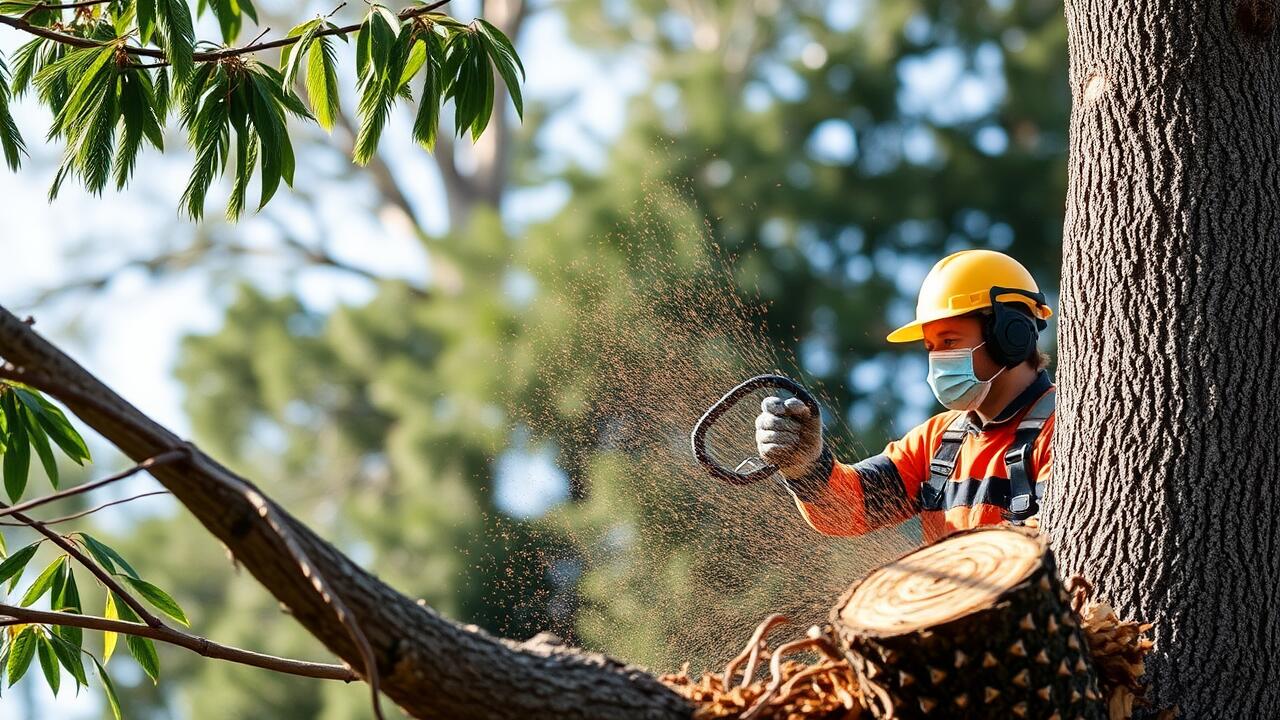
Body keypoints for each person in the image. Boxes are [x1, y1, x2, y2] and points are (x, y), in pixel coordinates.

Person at [755, 249, 1055, 543]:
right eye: (930, 347)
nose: (938, 359)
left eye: (949, 341)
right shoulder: (938, 442)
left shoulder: (1062, 432)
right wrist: (807, 466)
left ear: (1011, 336)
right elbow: (849, 510)